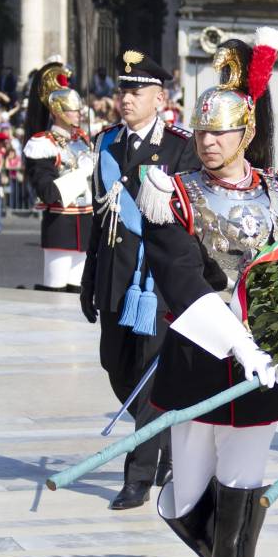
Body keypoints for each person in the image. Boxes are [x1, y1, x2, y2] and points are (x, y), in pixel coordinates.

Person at [136, 28, 278, 557]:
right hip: (203, 363)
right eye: (201, 130)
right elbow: (182, 284)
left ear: (247, 130)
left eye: (221, 131)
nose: (207, 141)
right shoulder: (170, 193)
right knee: (181, 505)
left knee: (236, 517)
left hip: (260, 379)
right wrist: (238, 343)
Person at [82, 48, 200, 510]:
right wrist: (89, 280)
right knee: (116, 366)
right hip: (115, 276)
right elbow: (99, 218)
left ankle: (138, 475)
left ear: (159, 96)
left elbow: (187, 218)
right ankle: (164, 435)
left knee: (148, 381)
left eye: (136, 91)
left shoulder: (180, 145)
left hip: (154, 281)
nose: (126, 99)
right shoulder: (107, 142)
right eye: (122, 90)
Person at [22, 60, 94, 292]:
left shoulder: (82, 139)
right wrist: (82, 173)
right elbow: (48, 192)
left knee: (78, 292)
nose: (78, 113)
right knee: (55, 290)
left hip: (85, 223)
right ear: (58, 111)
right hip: (60, 224)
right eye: (72, 109)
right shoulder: (43, 143)